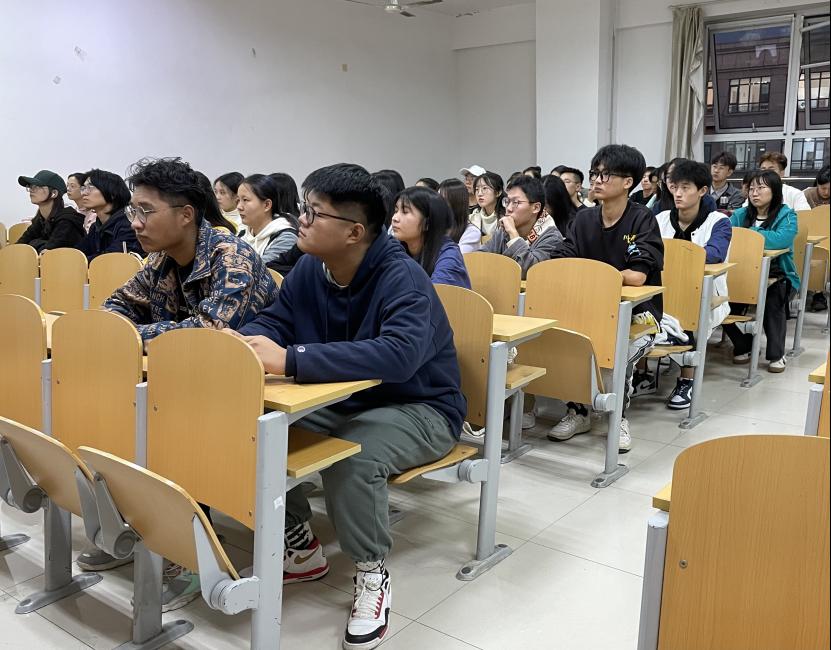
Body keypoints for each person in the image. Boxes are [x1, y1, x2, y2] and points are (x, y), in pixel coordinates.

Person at [234, 163, 465, 650]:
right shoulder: (310, 268)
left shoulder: (401, 276)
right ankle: (301, 547)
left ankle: (372, 572)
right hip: (346, 398)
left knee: (353, 458)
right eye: (305, 209)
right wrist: (248, 342)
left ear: (355, 232)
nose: (301, 220)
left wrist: (292, 359)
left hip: (420, 406)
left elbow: (399, 355)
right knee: (260, 427)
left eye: (314, 213)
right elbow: (277, 320)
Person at [547, 144, 663, 453]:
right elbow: (562, 260)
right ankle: (579, 412)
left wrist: (591, 275)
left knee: (615, 353)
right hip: (588, 306)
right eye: (594, 173)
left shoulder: (642, 219)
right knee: (564, 342)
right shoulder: (583, 219)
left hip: (638, 313)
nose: (597, 180)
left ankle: (618, 416)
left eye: (606, 174)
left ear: (628, 182)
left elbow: (637, 276)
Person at [102, 157, 278, 343]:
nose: (135, 224)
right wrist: (123, 331)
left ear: (186, 215)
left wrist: (129, 334)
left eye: (145, 212)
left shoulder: (233, 258)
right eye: (133, 212)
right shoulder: (161, 257)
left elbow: (208, 334)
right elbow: (113, 309)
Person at [641, 160, 733, 409]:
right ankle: (642, 373)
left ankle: (686, 380)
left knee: (691, 311)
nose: (678, 193)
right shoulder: (660, 218)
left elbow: (713, 254)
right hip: (663, 289)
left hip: (702, 291)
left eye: (685, 187)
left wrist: (671, 255)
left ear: (702, 190)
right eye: (674, 187)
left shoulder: (719, 222)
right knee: (637, 310)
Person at [724, 170, 799, 373]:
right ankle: (744, 345)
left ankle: (776, 354)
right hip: (742, 274)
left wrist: (750, 234)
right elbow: (725, 235)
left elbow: (781, 240)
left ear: (774, 191)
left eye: (761, 188)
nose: (754, 193)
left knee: (773, 299)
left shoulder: (787, 215)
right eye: (751, 189)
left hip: (779, 275)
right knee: (718, 303)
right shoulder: (740, 215)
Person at [479, 175, 563, 278]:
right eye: (507, 201)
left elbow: (529, 272)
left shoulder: (552, 237)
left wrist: (513, 235)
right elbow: (481, 259)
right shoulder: (503, 231)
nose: (509, 208)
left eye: (516, 202)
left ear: (536, 207)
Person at [391, 186, 470, 288]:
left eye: (405, 212)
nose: (395, 218)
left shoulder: (449, 255)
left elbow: (436, 294)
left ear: (427, 223)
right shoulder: (396, 249)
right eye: (396, 210)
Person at [75, 169, 144, 261]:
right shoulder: (96, 227)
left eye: (90, 187)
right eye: (83, 188)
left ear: (112, 193)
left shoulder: (128, 224)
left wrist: (77, 262)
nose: (84, 193)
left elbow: (111, 259)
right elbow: (77, 253)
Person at [16, 170, 85, 252]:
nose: (31, 190)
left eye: (37, 187)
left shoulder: (66, 221)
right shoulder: (40, 220)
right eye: (30, 186)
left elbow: (48, 252)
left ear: (54, 193)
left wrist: (34, 243)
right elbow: (18, 246)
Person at [236, 173, 300, 264]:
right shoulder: (243, 235)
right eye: (238, 200)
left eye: (245, 200)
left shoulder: (285, 237)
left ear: (267, 205)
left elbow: (258, 269)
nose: (239, 207)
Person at [438, 178, 481, 254]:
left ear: (456, 203)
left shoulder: (472, 232)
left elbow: (455, 257)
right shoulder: (436, 227)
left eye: (442, 200)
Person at [469, 171, 504, 238]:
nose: (479, 194)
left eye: (484, 188)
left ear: (498, 192)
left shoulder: (506, 217)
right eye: (477, 189)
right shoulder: (473, 217)